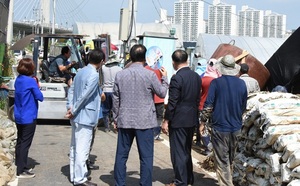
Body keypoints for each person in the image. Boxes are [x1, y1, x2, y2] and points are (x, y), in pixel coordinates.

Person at [113, 44, 168, 186]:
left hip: (124, 120)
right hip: (145, 121)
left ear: (130, 57)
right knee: (146, 157)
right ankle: (145, 184)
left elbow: (116, 99)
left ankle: (119, 183)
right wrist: (164, 79)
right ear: (145, 58)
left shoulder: (120, 75)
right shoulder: (149, 75)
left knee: (121, 155)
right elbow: (161, 93)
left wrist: (115, 118)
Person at [201, 55, 247, 186]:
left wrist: (202, 122)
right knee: (230, 159)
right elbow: (243, 107)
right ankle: (228, 181)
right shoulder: (241, 83)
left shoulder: (216, 83)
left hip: (220, 128)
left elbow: (208, 105)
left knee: (222, 161)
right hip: (236, 127)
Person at [66, 48, 105, 186]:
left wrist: (70, 107)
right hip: (85, 116)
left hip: (75, 116)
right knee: (82, 149)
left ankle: (74, 175)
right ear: (101, 61)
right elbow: (86, 95)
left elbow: (71, 90)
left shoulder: (80, 71)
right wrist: (74, 109)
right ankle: (80, 179)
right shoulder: (94, 74)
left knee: (74, 147)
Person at [162, 50, 202, 186]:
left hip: (178, 119)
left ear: (174, 62)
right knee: (186, 151)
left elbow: (173, 102)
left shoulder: (176, 78)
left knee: (178, 152)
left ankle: (180, 181)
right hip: (191, 118)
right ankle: (188, 179)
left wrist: (166, 120)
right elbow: (197, 99)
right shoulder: (196, 76)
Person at [14, 58, 44, 178]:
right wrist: (37, 85)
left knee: (20, 141)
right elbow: (40, 97)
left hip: (19, 114)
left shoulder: (18, 80)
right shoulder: (31, 81)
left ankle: (19, 164)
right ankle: (21, 170)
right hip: (29, 116)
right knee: (26, 143)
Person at [198, 58, 221, 155]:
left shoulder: (203, 79)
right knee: (212, 128)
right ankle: (214, 147)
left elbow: (198, 93)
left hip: (203, 106)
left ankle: (208, 147)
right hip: (215, 108)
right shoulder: (218, 80)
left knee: (203, 127)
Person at [101, 54, 122, 132]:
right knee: (116, 109)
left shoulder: (103, 68)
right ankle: (116, 125)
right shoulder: (119, 69)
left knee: (105, 109)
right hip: (115, 91)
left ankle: (107, 127)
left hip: (106, 90)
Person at [144, 63, 165, 141]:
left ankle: (148, 133)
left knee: (148, 116)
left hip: (148, 98)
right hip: (159, 97)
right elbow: (165, 81)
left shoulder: (145, 69)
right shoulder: (161, 68)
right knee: (159, 118)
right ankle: (156, 134)